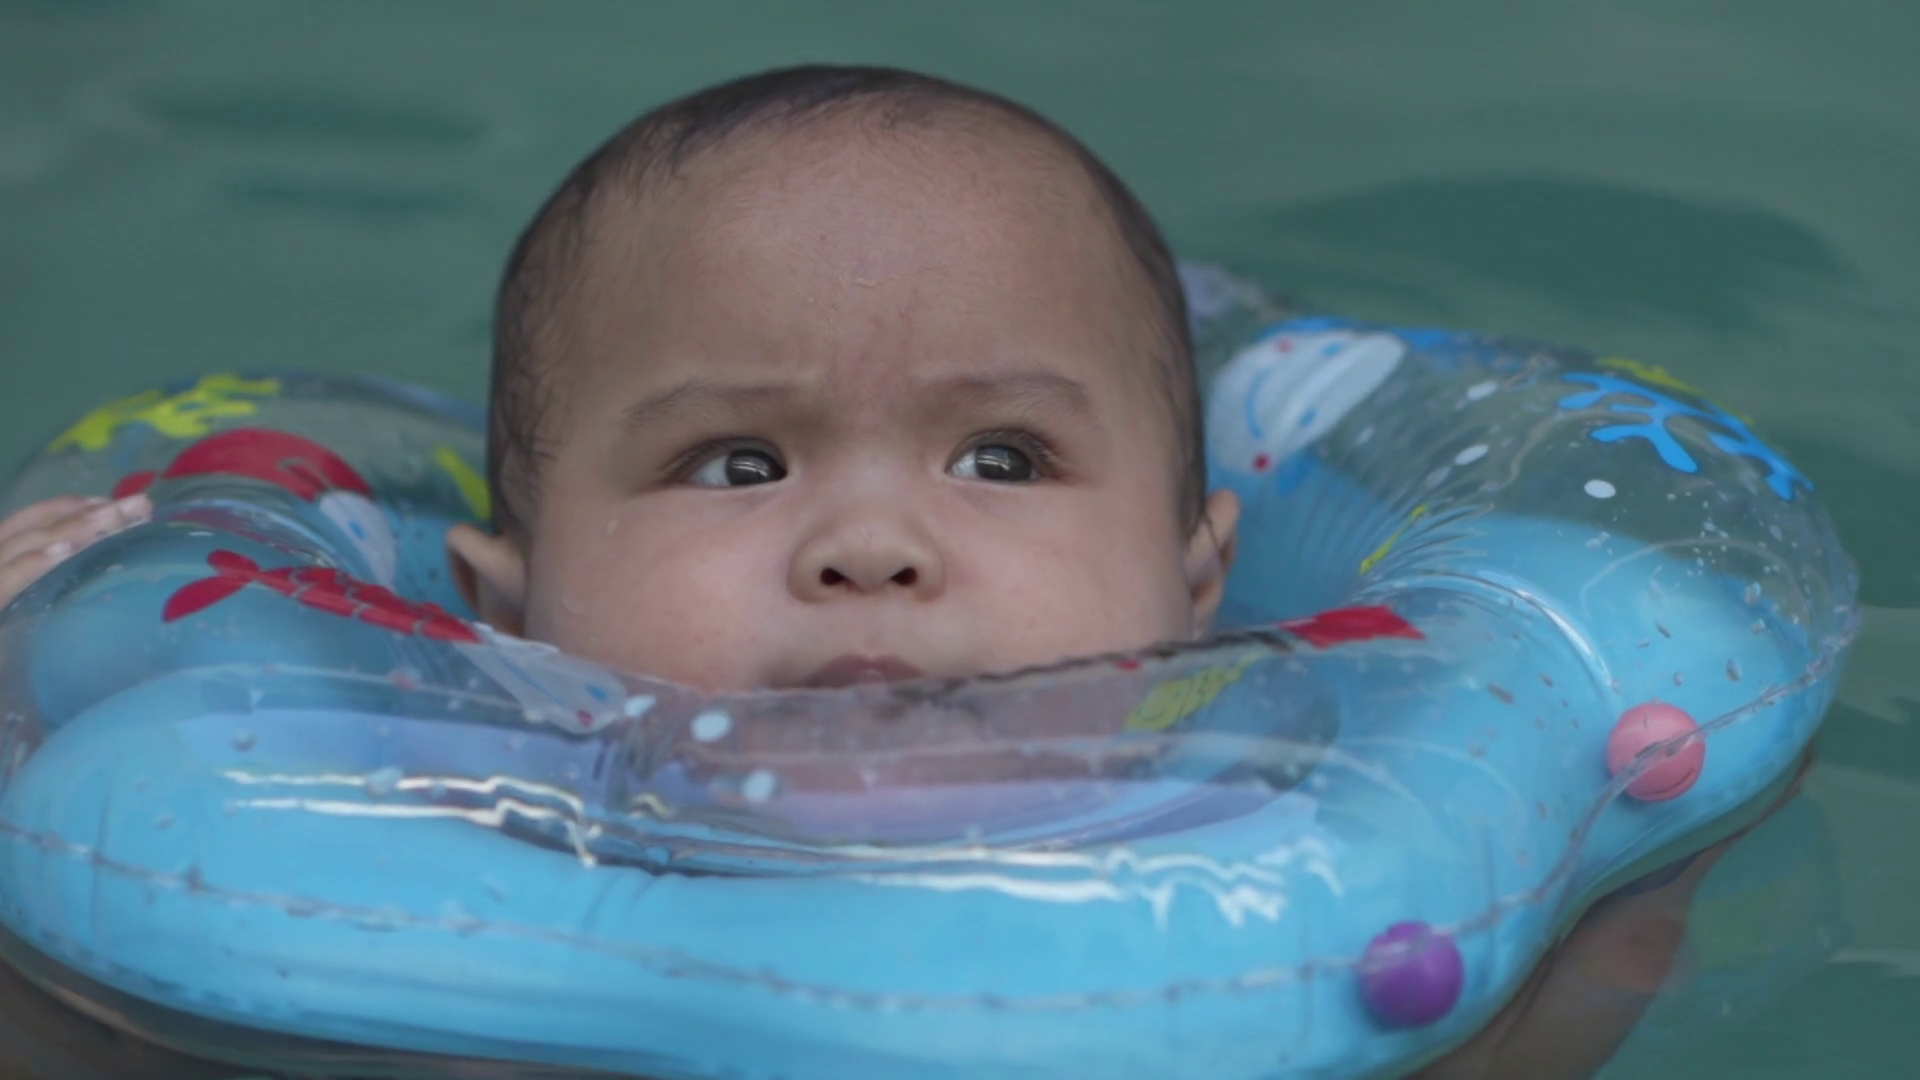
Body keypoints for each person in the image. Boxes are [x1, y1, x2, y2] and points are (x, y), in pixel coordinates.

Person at [0, 65, 1801, 1079]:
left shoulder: (1302, 851)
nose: (872, 545)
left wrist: (1598, 873)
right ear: (495, 603)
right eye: (741, 460)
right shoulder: (377, 860)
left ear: (1205, 589)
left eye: (1002, 458)